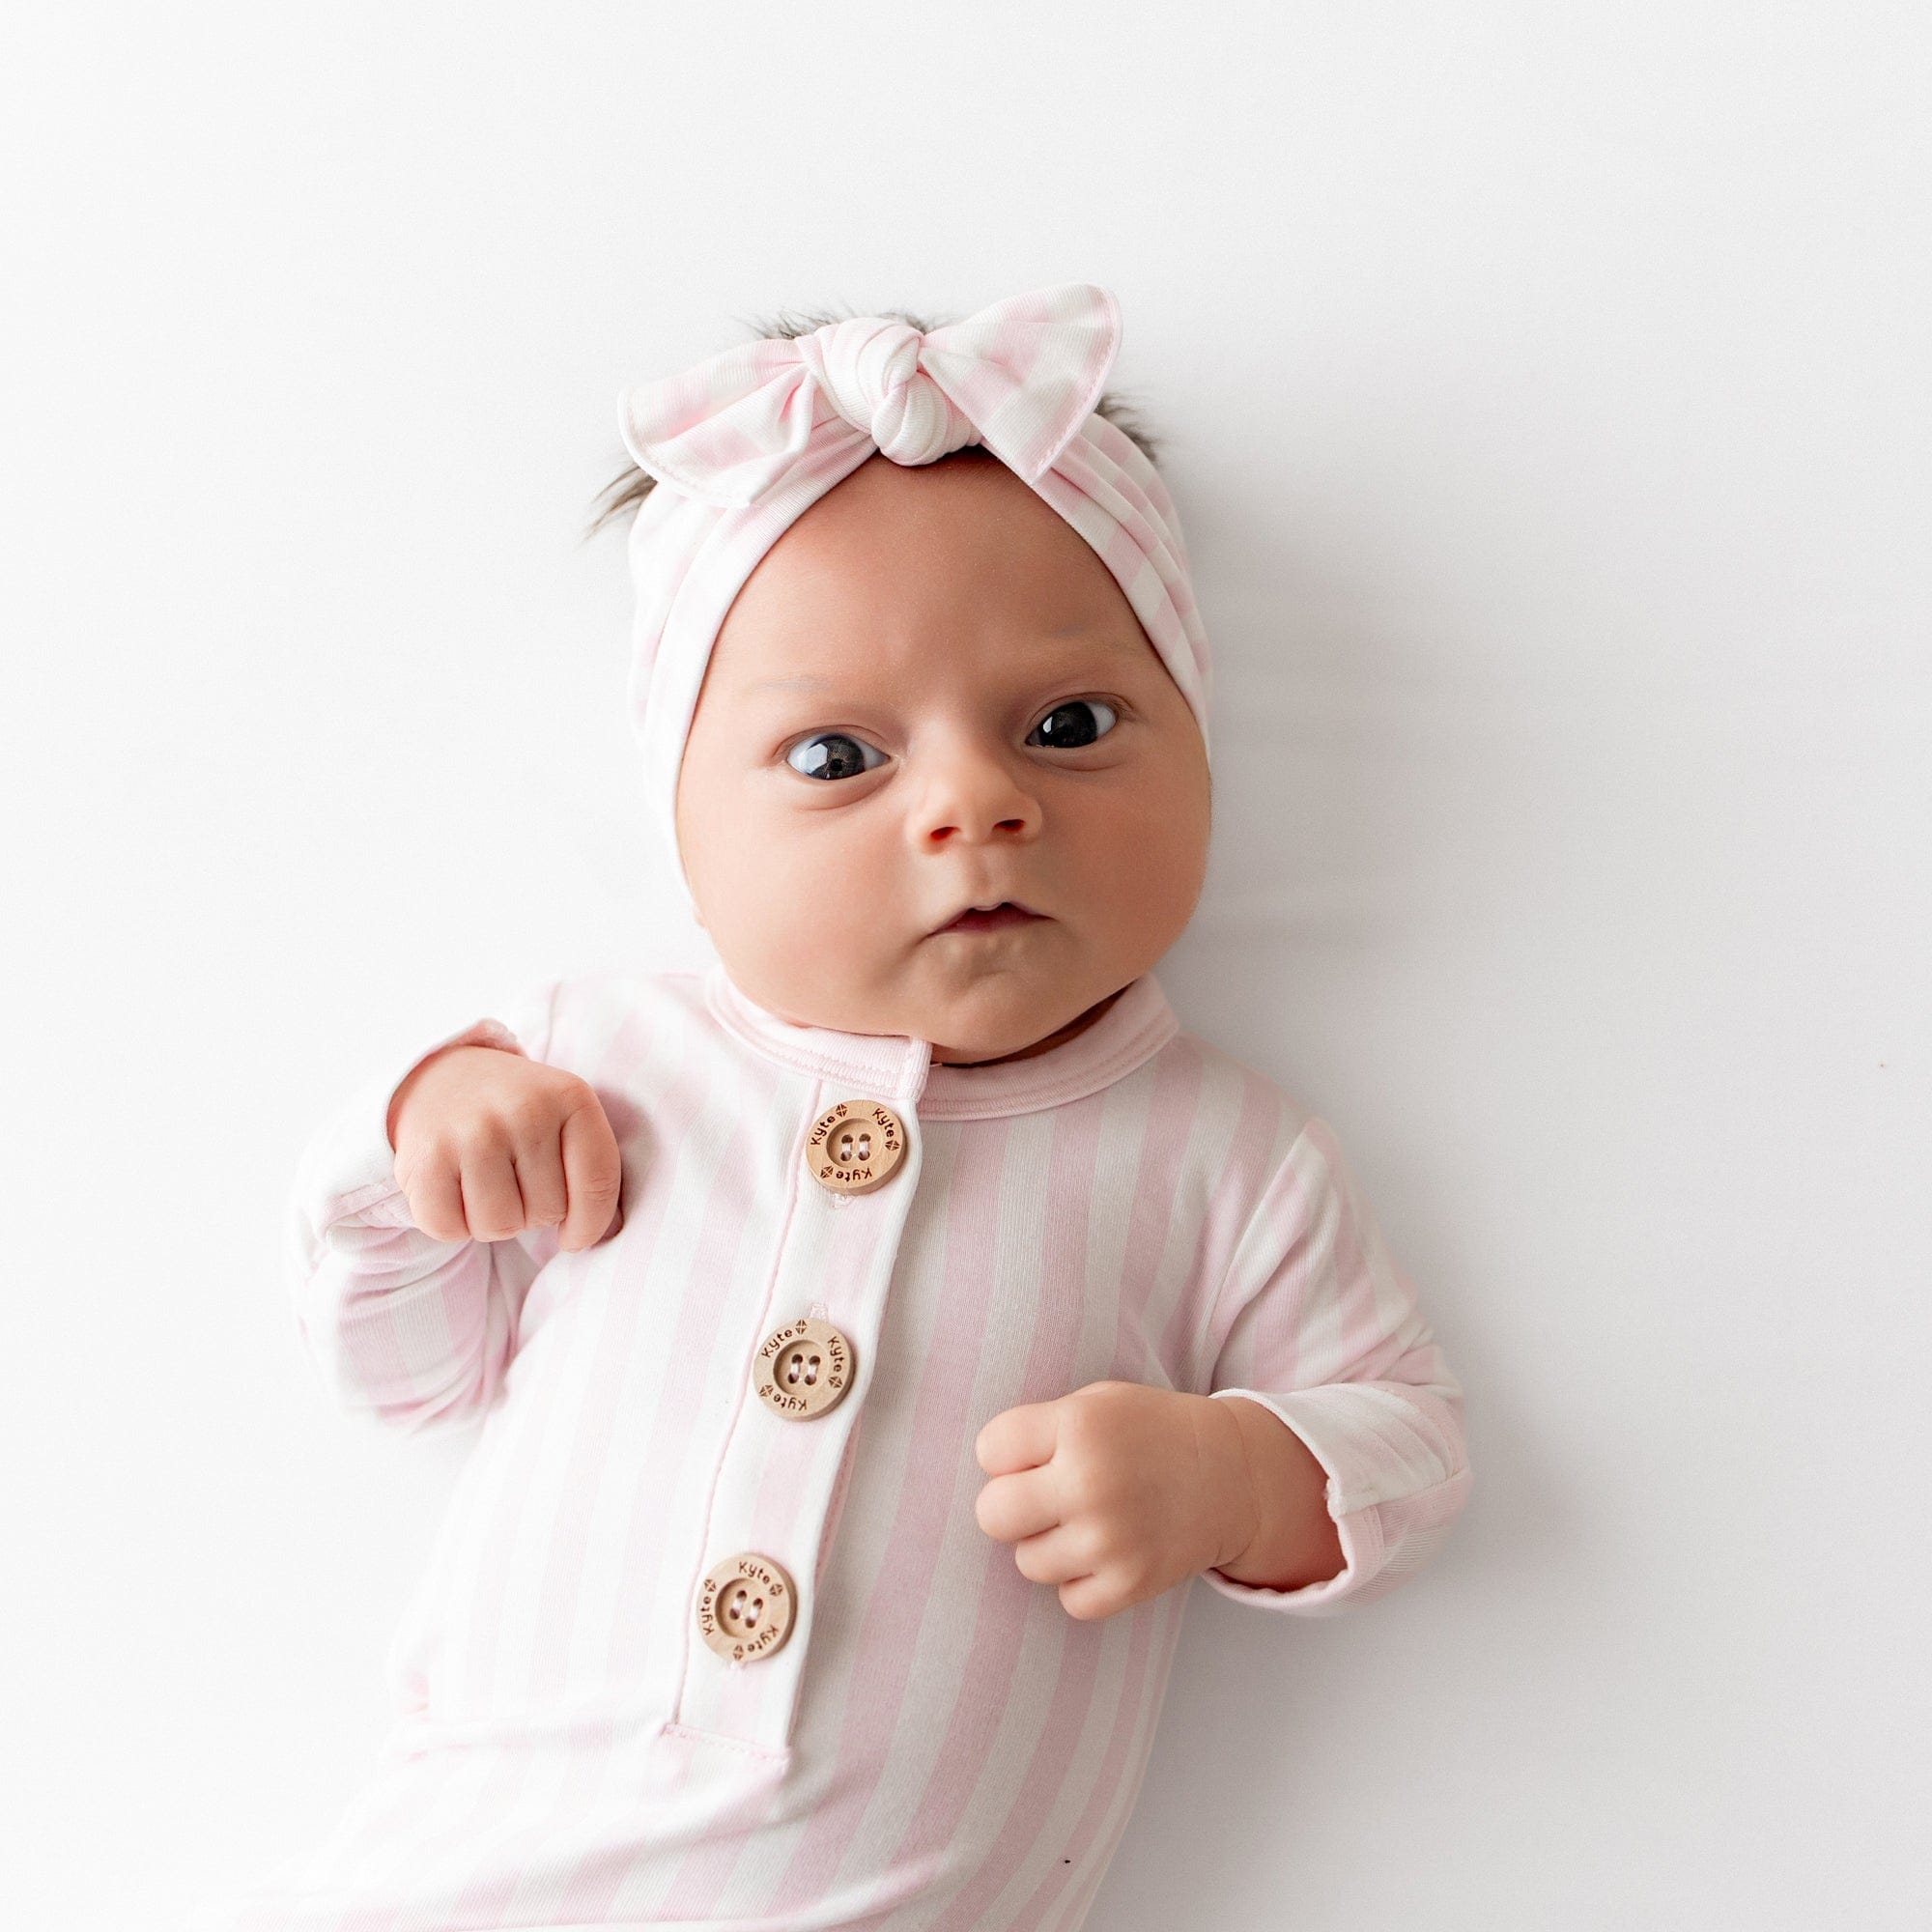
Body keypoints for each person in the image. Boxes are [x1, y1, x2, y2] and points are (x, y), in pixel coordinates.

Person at [191, 282, 1473, 1931]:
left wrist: (1235, 1474)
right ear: (683, 829)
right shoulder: (599, 1062)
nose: (976, 804)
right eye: (835, 759)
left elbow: (1410, 1444)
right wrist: (415, 1149)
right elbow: (406, 1372)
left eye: (1069, 727)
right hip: (457, 1873)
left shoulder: (1219, 1153)